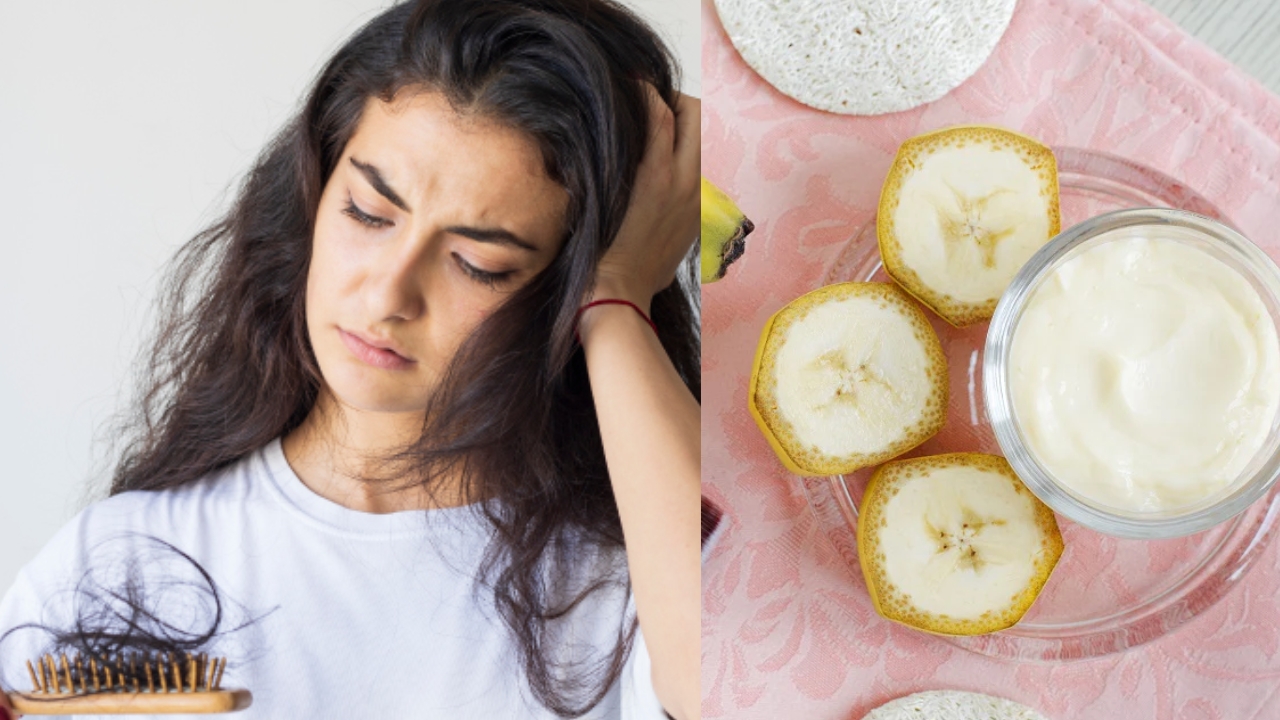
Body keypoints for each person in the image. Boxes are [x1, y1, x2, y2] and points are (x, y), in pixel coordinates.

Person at [0, 0, 700, 718]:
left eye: (477, 262)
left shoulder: (632, 582)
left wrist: (616, 298)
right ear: (313, 189)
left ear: (564, 283)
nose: (388, 293)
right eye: (368, 213)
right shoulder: (123, 565)